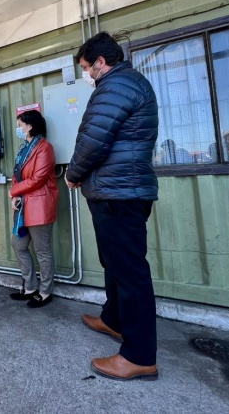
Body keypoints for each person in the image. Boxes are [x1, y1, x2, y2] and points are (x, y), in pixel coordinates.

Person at [64, 32, 160, 381]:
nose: (88, 75)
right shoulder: (125, 84)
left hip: (120, 194)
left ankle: (139, 356)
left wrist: (73, 175)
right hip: (116, 191)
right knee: (115, 263)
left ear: (102, 63)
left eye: (88, 68)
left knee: (130, 272)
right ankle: (114, 319)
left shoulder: (116, 86)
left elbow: (93, 140)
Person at [9, 110, 59, 308]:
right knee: (18, 245)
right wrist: (15, 194)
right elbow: (17, 174)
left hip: (39, 206)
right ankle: (30, 287)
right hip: (23, 206)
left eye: (20, 125)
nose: (19, 128)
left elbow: (38, 178)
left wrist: (14, 191)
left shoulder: (45, 148)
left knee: (42, 251)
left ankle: (46, 292)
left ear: (30, 126)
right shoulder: (24, 148)